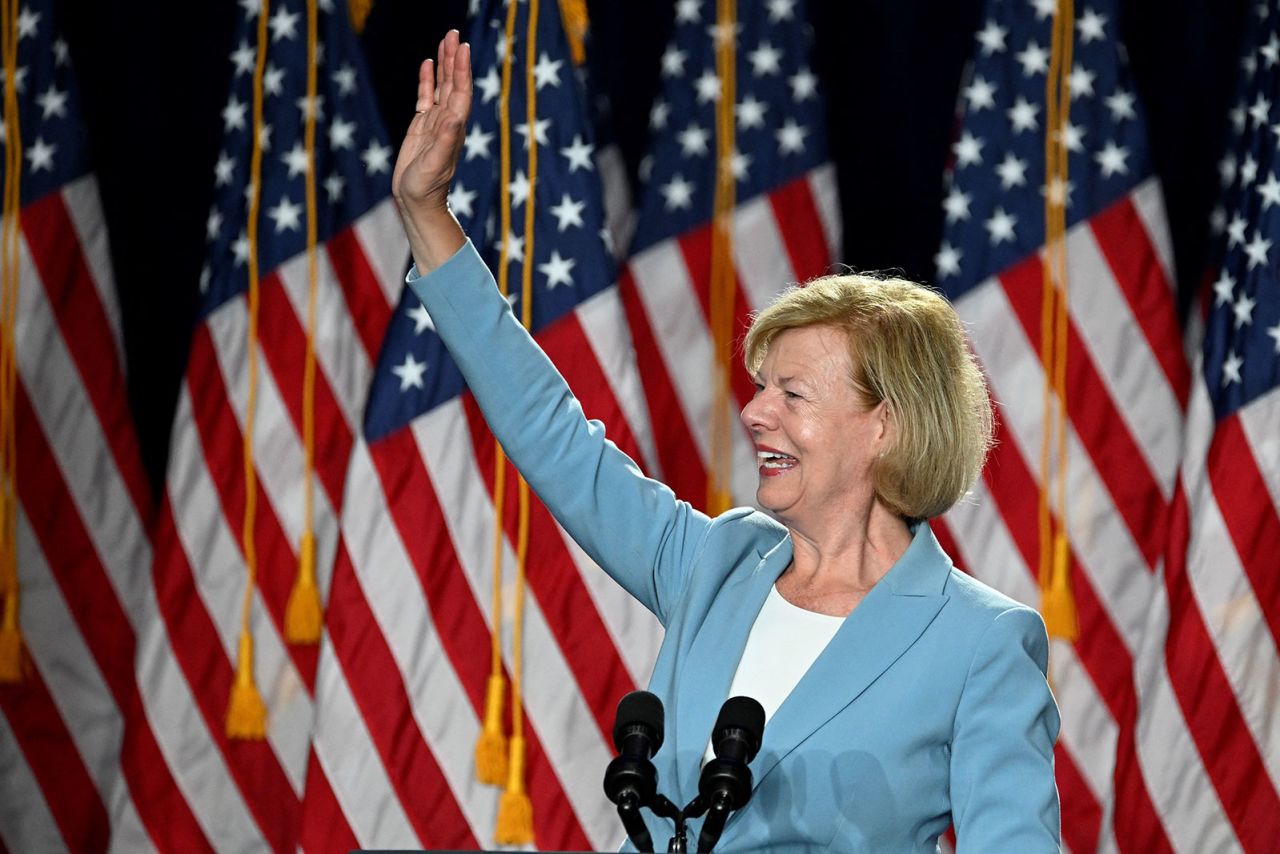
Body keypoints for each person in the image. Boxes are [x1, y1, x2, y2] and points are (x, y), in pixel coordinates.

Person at [393, 31, 1061, 853]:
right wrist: (428, 215)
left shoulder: (979, 643)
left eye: (792, 393)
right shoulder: (716, 564)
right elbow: (552, 434)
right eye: (758, 388)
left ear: (885, 423)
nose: (753, 415)